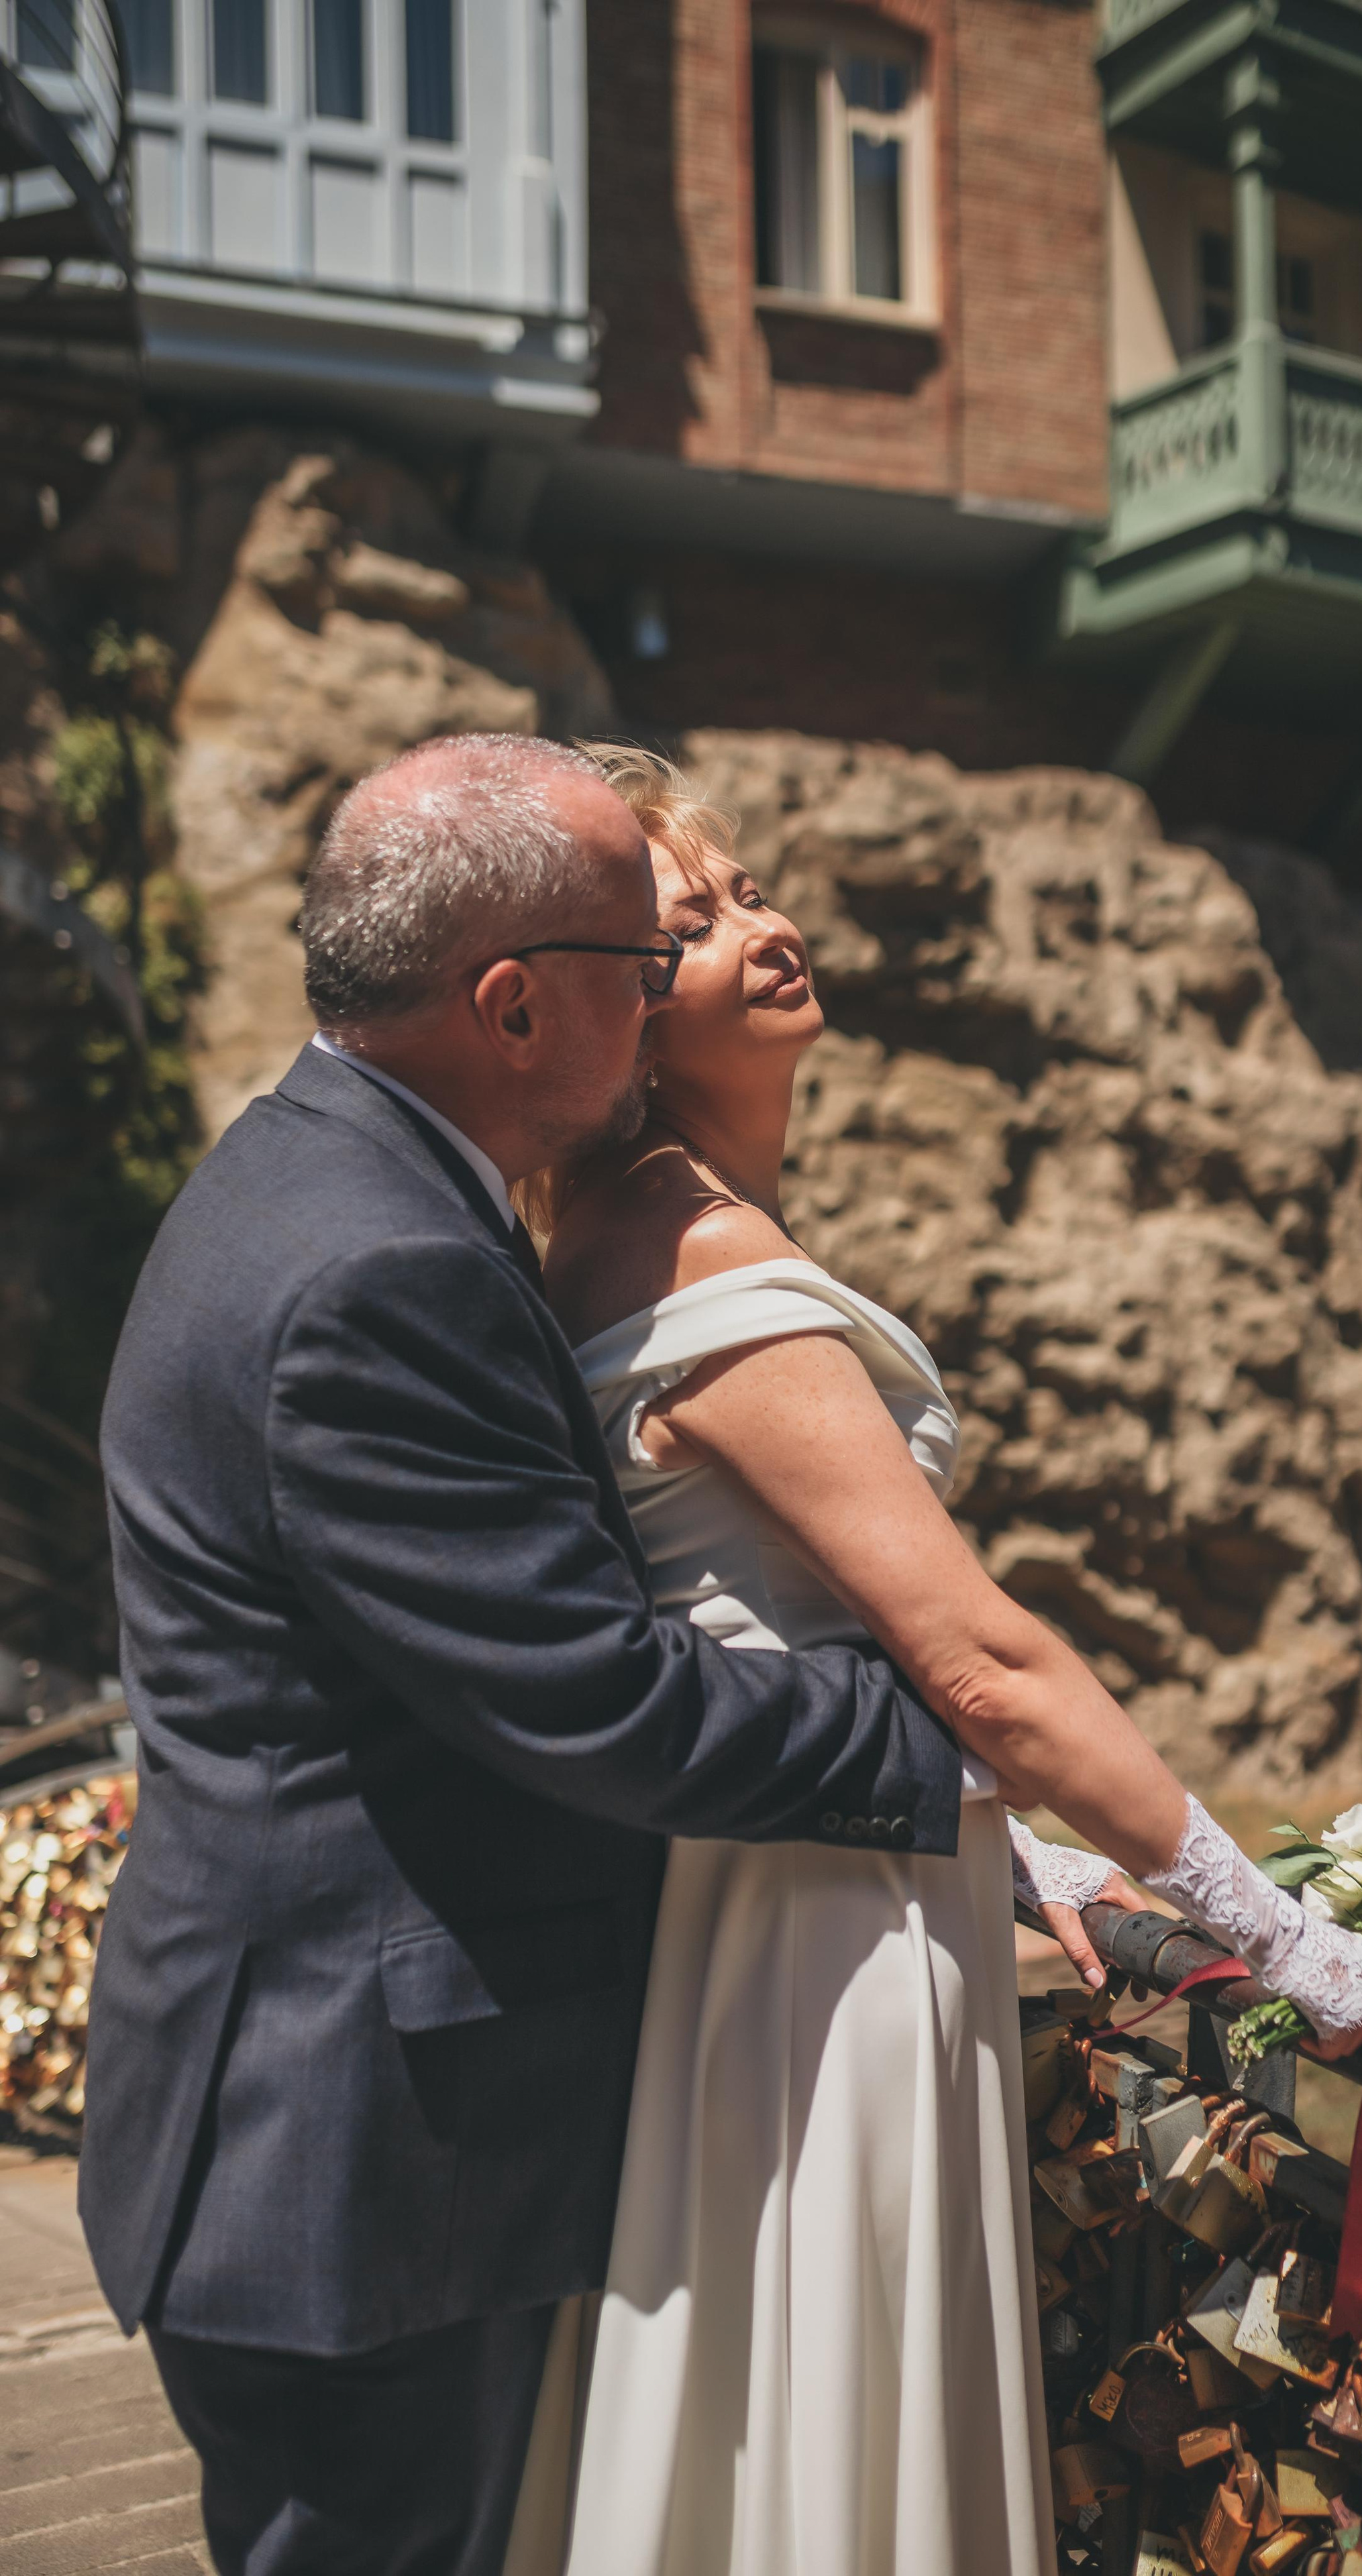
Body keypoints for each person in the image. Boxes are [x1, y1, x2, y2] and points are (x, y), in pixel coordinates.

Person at [81, 735, 996, 2576]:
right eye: (637, 967)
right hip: (351, 2161)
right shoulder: (376, 1269)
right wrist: (948, 1742)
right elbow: (594, 1696)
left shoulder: (320, 1175)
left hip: (323, 2111)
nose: (666, 996)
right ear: (510, 1004)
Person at [519, 748, 1362, 2576]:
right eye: (689, 927)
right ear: (620, 1013)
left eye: (752, 890)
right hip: (812, 1930)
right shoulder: (691, 1243)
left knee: (774, 2404)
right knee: (828, 2398)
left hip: (787, 1875)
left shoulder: (651, 1228)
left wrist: (1025, 1851)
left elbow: (775, 1618)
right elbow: (983, 1662)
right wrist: (1285, 1940)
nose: (761, 928)